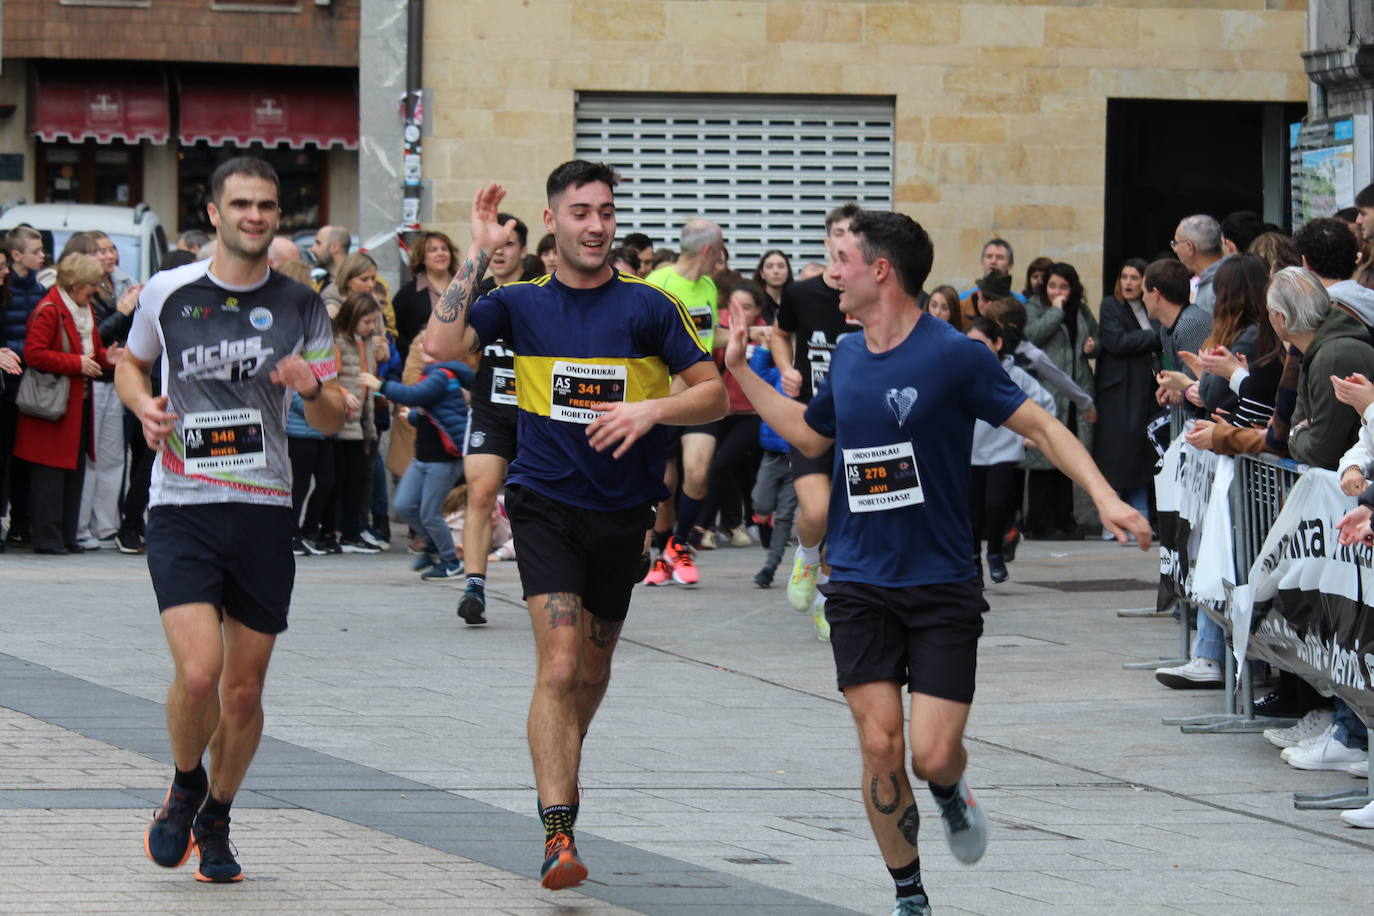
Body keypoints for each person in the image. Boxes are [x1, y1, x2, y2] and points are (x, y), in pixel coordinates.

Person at [721, 208, 1150, 916]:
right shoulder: (848, 355)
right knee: (880, 745)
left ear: (880, 269)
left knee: (931, 754)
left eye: (841, 260)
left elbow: (1042, 425)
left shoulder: (955, 355)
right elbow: (809, 433)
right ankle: (910, 894)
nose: (831, 274)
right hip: (857, 581)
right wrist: (741, 372)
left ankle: (950, 789)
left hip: (942, 583)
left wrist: (1104, 497)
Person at [423, 161, 726, 890]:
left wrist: (652, 410)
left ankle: (559, 752)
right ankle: (558, 833)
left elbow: (715, 394)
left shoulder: (649, 306)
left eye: (606, 212)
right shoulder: (520, 301)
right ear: (552, 221)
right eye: (581, 212)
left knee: (591, 670)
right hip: (544, 502)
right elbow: (440, 345)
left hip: (623, 514)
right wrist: (476, 252)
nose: (596, 226)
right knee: (559, 667)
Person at [116, 156, 344, 884]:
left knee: (243, 693)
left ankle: (216, 816)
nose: (255, 216)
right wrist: (142, 404)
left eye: (267, 205)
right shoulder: (169, 291)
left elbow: (334, 417)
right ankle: (186, 782)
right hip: (182, 505)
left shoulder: (301, 305)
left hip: (264, 508)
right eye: (241, 203)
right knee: (198, 675)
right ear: (214, 213)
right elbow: (130, 362)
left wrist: (314, 390)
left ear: (278, 216)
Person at [769, 202, 861, 615]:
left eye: (855, 234)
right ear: (827, 242)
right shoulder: (801, 293)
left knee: (846, 517)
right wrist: (786, 369)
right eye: (839, 233)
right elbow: (779, 334)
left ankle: (828, 599)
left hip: (859, 422)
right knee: (818, 510)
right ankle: (806, 557)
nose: (846, 242)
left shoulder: (871, 294)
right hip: (809, 419)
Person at [13, 253, 116, 553]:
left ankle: (68, 535)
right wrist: (77, 363)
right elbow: (34, 354)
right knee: (51, 474)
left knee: (74, 470)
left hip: (75, 404)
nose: (95, 293)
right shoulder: (49, 309)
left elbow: (92, 351)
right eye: (92, 286)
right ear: (75, 286)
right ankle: (48, 538)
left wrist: (106, 357)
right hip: (52, 406)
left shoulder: (83, 309)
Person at [643, 218, 724, 582]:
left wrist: (751, 333)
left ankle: (679, 546)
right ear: (707, 249)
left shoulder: (709, 286)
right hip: (662, 399)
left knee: (699, 470)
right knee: (664, 485)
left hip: (699, 395)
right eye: (719, 248)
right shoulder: (658, 283)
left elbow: (707, 337)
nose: (722, 256)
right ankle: (663, 555)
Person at [360, 354, 474, 581]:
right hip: (423, 457)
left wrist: (381, 385)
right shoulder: (433, 374)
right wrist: (412, 416)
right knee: (404, 505)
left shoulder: (441, 375)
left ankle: (451, 561)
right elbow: (435, 411)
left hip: (443, 459)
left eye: (428, 342)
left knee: (430, 514)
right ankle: (432, 546)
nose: (422, 345)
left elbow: (414, 396)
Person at [965, 317, 1055, 583]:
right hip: (971, 453)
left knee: (995, 505)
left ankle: (995, 552)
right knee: (972, 513)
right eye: (969, 345)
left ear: (997, 343)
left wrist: (1032, 434)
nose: (974, 350)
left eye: (980, 344)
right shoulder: (961, 374)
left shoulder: (1015, 375)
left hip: (1003, 451)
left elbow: (1045, 402)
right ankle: (973, 562)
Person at [1021, 263, 1097, 539]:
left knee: (1068, 456)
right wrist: (1055, 311)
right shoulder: (1034, 307)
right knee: (1044, 458)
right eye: (1052, 286)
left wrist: (1094, 345)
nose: (1057, 291)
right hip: (1047, 392)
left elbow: (1097, 335)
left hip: (1074, 391)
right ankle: (1039, 522)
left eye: (1063, 287)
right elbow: (1031, 335)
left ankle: (1065, 519)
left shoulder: (1080, 309)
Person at [1092, 258, 1158, 528]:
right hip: (1119, 391)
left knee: (1142, 453)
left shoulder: (1149, 308)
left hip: (1144, 389)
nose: (1128, 283)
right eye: (1124, 277)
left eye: (1134, 278)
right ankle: (1114, 518)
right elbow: (1117, 342)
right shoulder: (1111, 306)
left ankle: (1140, 514)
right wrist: (1154, 336)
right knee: (1116, 453)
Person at [3, 225, 49, 546]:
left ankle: (21, 521)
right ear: (17, 255)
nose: (42, 256)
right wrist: (24, 352)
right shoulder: (6, 291)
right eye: (36, 251)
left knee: (25, 455)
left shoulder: (41, 290)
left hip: (32, 381)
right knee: (7, 454)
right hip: (8, 380)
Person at [328, 292, 384, 554]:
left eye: (374, 322)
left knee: (358, 480)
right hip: (343, 420)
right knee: (341, 479)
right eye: (367, 322)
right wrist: (342, 393)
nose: (371, 327)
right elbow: (328, 377)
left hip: (363, 419)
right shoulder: (337, 340)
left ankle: (352, 531)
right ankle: (340, 531)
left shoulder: (368, 342)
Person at [393, 230, 459, 361]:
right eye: (433, 250)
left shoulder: (464, 289)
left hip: (459, 363)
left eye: (444, 249)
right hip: (421, 365)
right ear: (422, 258)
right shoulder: (407, 294)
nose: (440, 253)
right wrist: (415, 354)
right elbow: (397, 334)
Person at [1171, 214, 1225, 314]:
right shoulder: (1231, 275)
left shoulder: (1217, 287)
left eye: (1175, 243)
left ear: (1189, 247)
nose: (1175, 250)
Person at [310, 224, 351, 293]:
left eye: (318, 243)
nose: (312, 249)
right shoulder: (318, 284)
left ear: (335, 247)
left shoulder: (360, 281)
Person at [754, 248, 793, 316]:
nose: (776, 271)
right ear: (762, 273)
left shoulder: (795, 301)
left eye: (781, 266)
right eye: (769, 267)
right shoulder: (754, 301)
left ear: (788, 271)